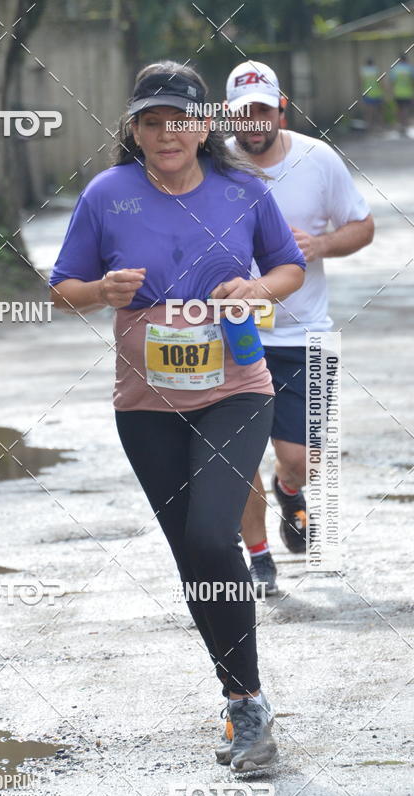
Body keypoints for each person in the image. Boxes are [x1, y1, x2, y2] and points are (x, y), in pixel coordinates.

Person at [49, 60, 305, 772]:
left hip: (238, 389)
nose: (168, 133)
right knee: (193, 557)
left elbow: (289, 269)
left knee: (211, 533)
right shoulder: (108, 195)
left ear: (204, 126)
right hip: (146, 407)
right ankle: (238, 699)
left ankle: (251, 709)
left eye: (181, 120)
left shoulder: (242, 192)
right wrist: (101, 289)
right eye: (153, 121)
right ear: (133, 128)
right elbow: (60, 291)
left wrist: (255, 288)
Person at [225, 61, 374, 594]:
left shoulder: (318, 159)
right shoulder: (213, 166)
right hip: (235, 336)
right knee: (236, 455)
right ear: (228, 114)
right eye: (244, 112)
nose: (255, 120)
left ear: (281, 107)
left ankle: (290, 492)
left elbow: (363, 226)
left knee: (300, 460)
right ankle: (259, 557)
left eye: (264, 109)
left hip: (306, 332)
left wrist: (320, 245)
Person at [390, 54, 414, 135]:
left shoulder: (395, 69)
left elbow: (392, 82)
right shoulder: (410, 68)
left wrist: (392, 92)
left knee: (399, 110)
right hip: (407, 93)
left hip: (398, 93)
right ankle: (405, 125)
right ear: (406, 59)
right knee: (406, 110)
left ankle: (401, 126)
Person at [359, 58, 385, 131]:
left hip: (368, 94)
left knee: (369, 112)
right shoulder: (377, 70)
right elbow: (381, 83)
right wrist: (384, 91)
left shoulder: (363, 71)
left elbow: (362, 82)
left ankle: (369, 127)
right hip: (378, 93)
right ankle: (381, 126)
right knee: (380, 111)